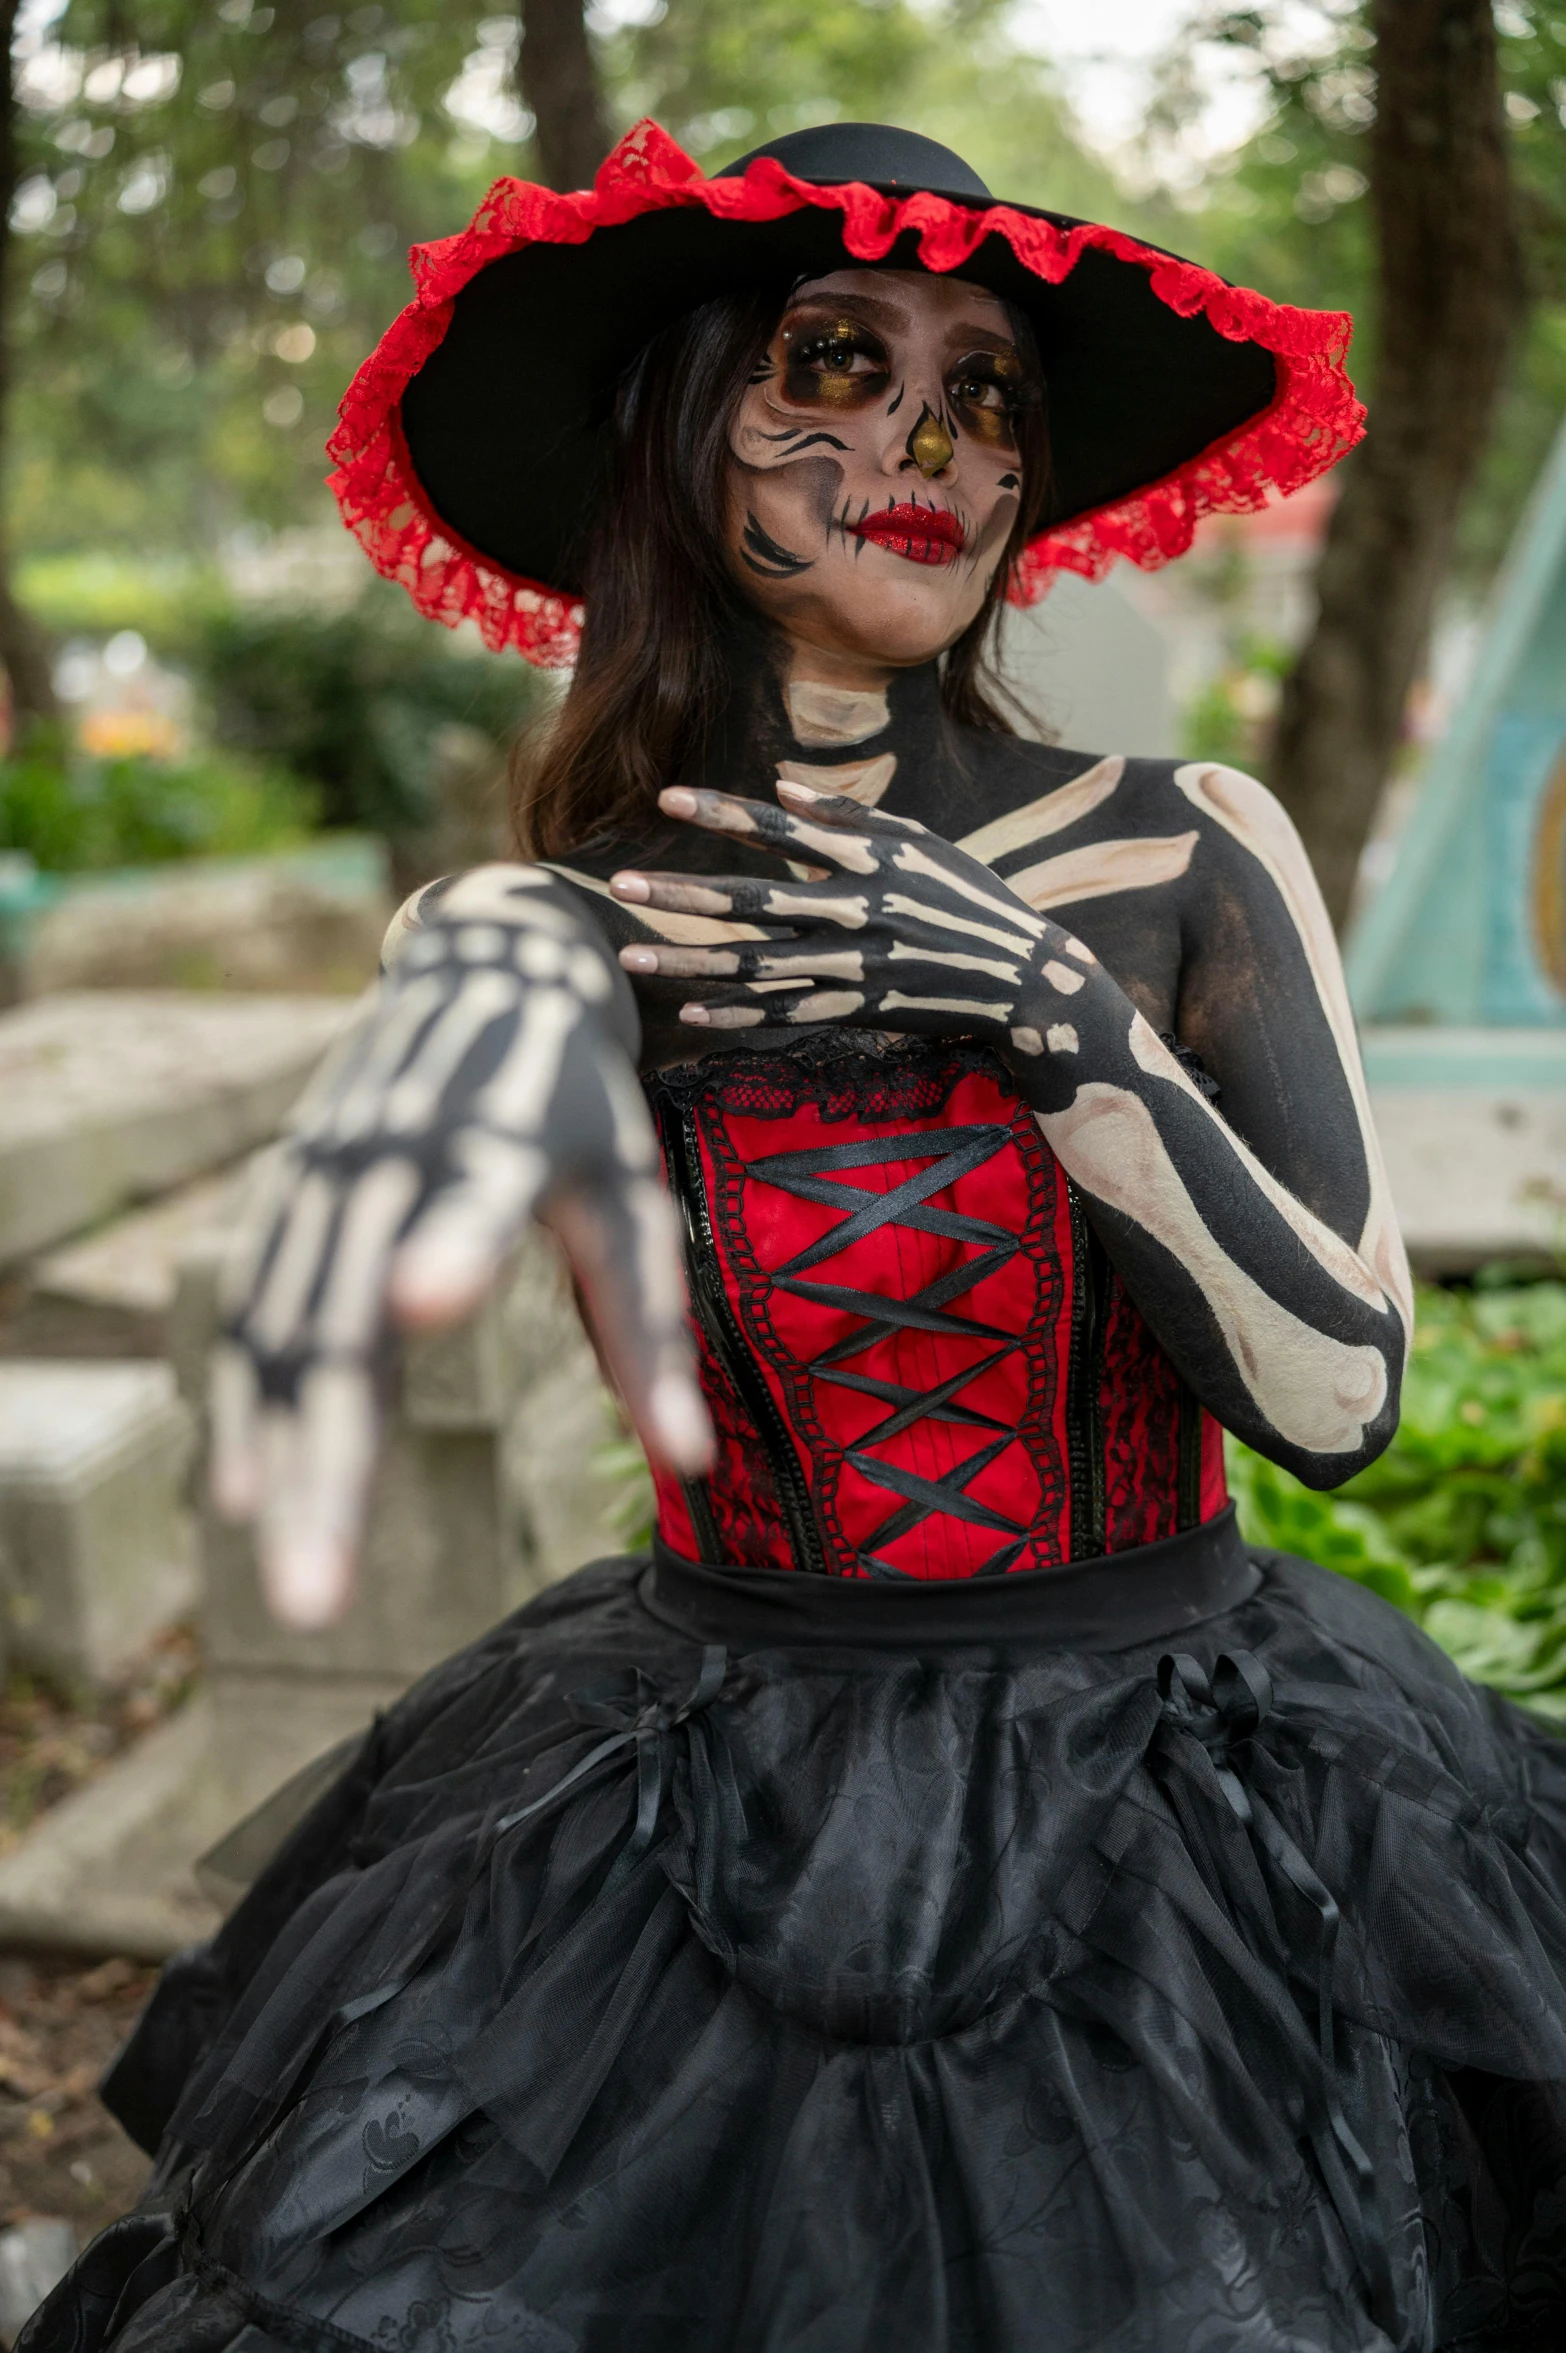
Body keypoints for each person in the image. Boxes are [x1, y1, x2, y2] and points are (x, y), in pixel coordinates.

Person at [25, 120, 1566, 2353]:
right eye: (835, 369)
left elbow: (1343, 1397)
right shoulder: (550, 925)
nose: (930, 443)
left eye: (989, 388)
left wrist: (1052, 1019)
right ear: (683, 439)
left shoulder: (1178, 851)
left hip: (1190, 1818)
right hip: (692, 1812)